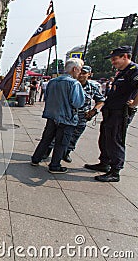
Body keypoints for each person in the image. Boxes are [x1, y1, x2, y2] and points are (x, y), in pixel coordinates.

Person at [85, 46, 138, 182]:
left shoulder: (134, 71)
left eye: (115, 59)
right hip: (111, 111)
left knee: (115, 140)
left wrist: (133, 104)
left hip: (120, 113)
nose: (113, 62)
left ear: (125, 56)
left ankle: (115, 171)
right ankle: (105, 163)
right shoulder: (122, 72)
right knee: (105, 138)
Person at [30, 58, 85, 174]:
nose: (80, 73)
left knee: (46, 139)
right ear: (74, 69)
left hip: (52, 116)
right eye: (80, 70)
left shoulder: (52, 82)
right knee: (61, 142)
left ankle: (36, 158)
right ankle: (55, 165)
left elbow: (47, 97)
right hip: (66, 118)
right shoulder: (74, 83)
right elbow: (78, 103)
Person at [43, 66, 105, 163]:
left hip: (81, 117)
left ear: (89, 74)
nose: (81, 75)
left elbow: (101, 101)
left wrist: (94, 111)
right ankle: (47, 151)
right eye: (80, 72)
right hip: (66, 116)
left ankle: (66, 153)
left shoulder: (92, 87)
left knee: (74, 137)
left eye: (84, 73)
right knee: (55, 135)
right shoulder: (70, 84)